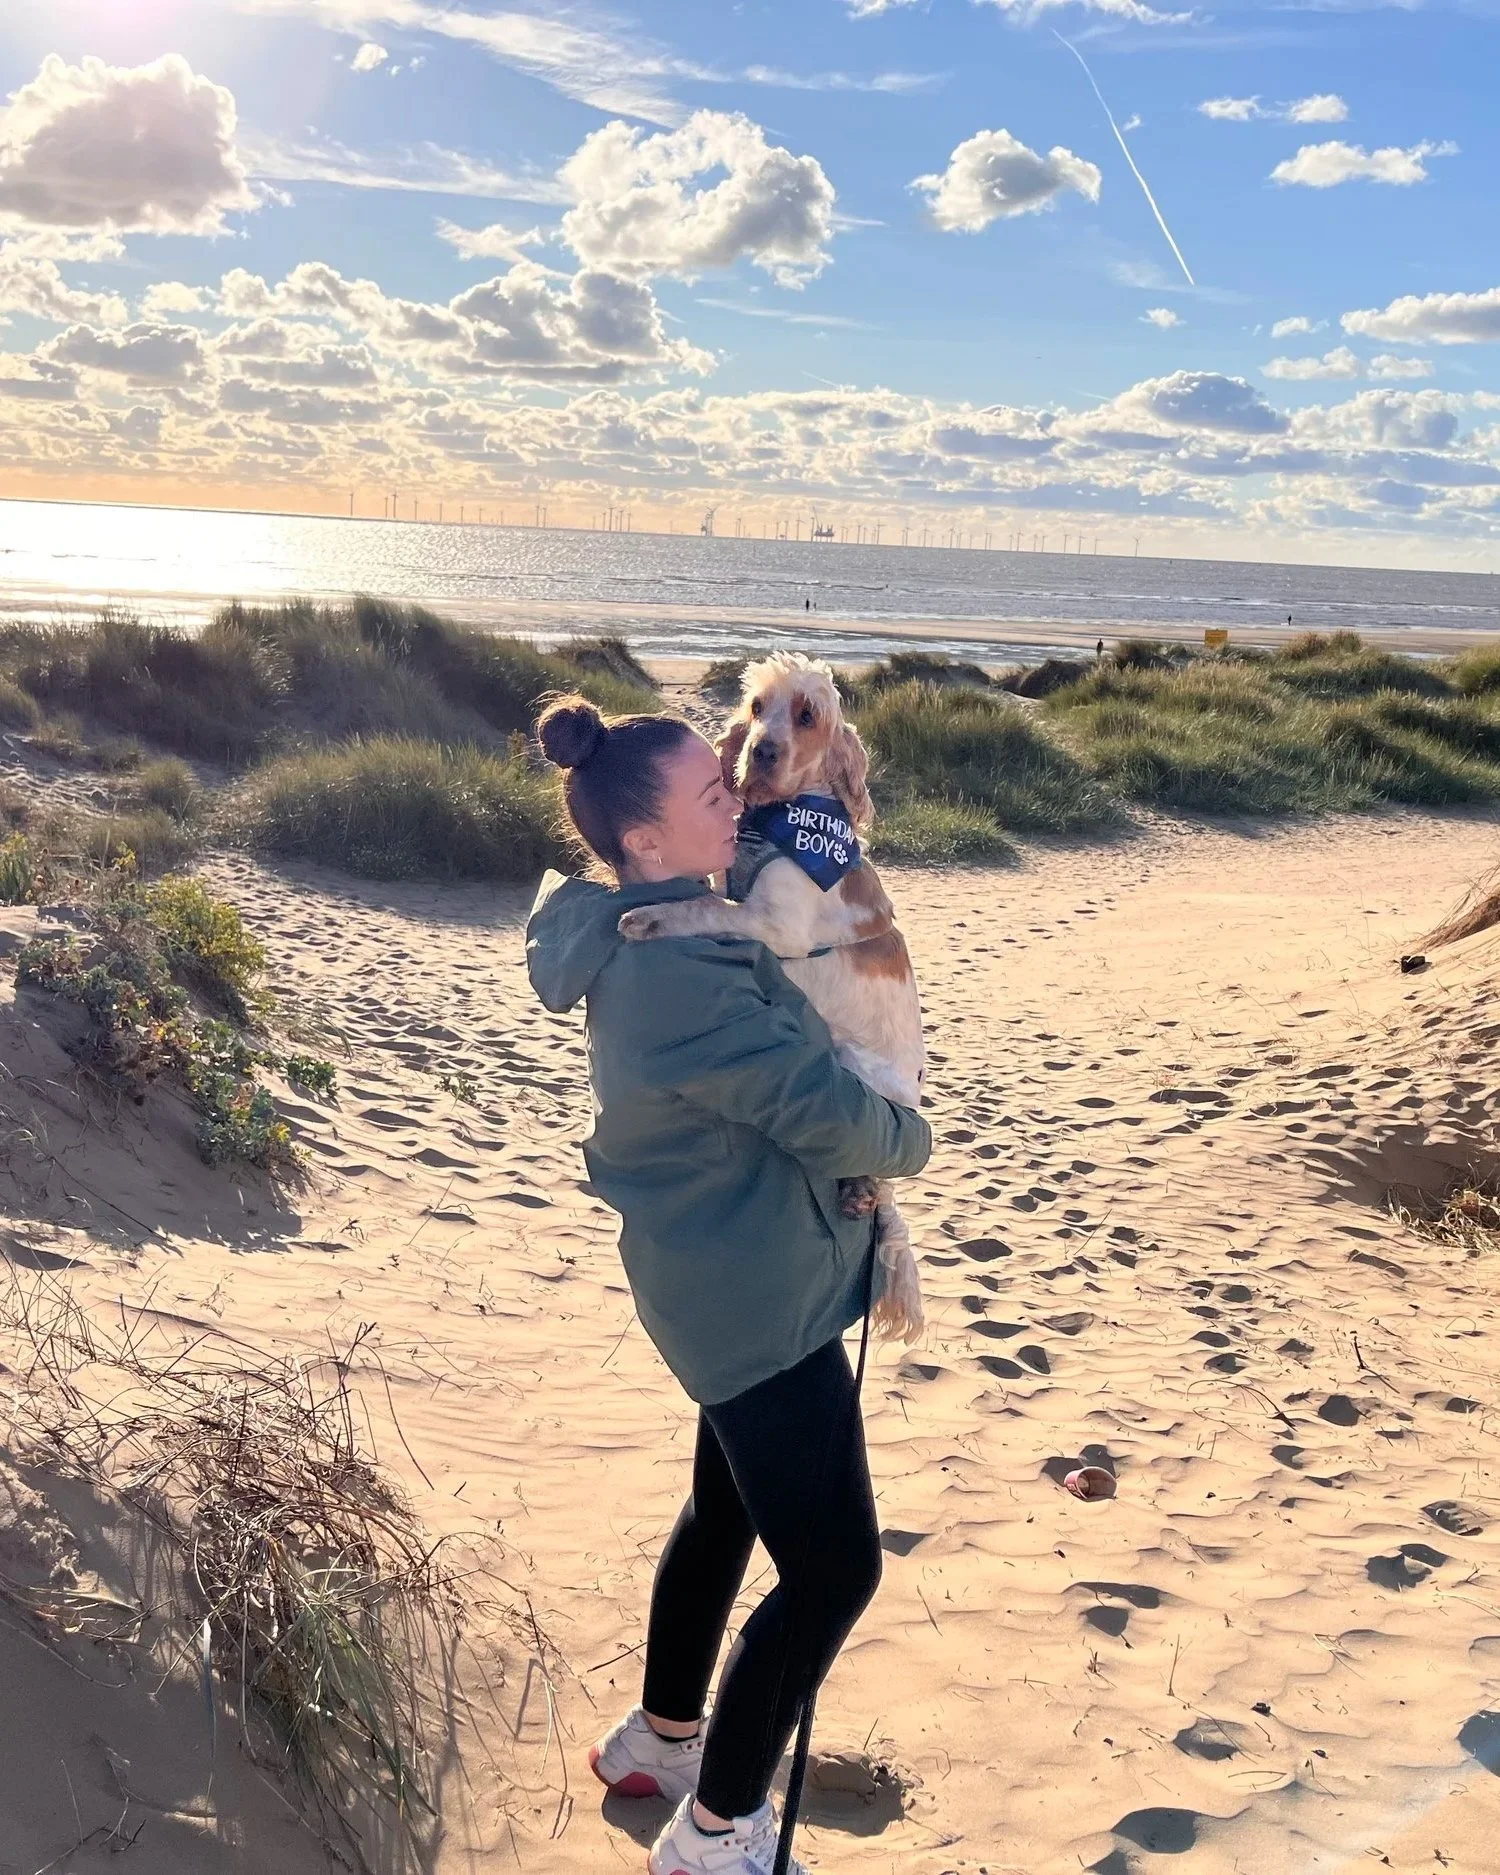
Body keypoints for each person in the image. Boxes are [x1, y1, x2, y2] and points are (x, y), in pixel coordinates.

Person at [526, 697, 932, 1875]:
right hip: (758, 1301)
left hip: (725, 1268)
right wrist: (907, 1141)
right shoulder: (683, 977)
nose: (737, 797)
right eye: (713, 791)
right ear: (646, 839)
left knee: (726, 1510)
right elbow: (819, 1106)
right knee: (833, 1570)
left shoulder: (659, 920)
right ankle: (718, 1832)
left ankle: (660, 1744)